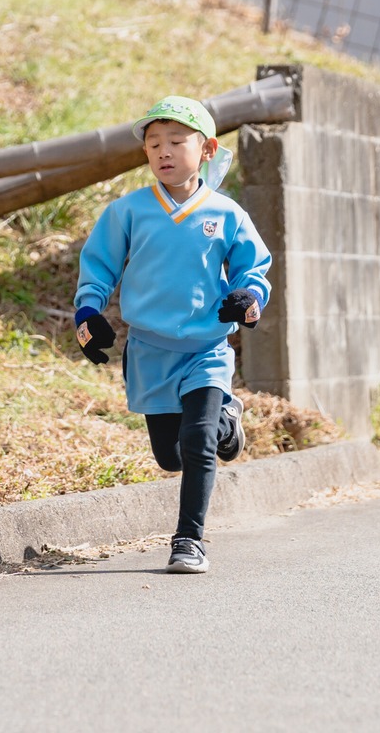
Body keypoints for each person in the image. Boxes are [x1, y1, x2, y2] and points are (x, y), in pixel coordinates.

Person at [73, 96, 271, 574]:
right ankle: (228, 420)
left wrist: (248, 299)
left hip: (206, 349)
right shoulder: (128, 212)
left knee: (198, 440)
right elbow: (98, 267)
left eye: (176, 142)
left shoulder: (226, 214)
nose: (163, 151)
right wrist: (89, 312)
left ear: (206, 150)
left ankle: (190, 540)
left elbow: (254, 270)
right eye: (153, 143)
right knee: (171, 456)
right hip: (149, 351)